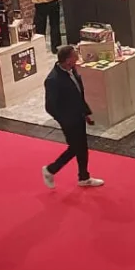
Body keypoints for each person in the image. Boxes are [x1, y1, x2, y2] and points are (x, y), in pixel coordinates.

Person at [41, 45, 104, 189]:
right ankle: (50, 170)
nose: (78, 58)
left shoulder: (72, 70)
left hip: (79, 116)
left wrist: (86, 112)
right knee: (75, 147)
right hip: (69, 121)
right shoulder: (53, 80)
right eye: (75, 56)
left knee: (81, 147)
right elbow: (50, 106)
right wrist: (65, 120)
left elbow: (78, 94)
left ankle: (84, 177)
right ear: (68, 60)